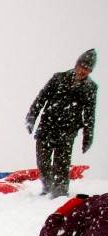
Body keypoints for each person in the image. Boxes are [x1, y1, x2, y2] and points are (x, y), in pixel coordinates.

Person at [26, 49, 98, 198]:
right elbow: (41, 98)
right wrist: (31, 118)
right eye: (82, 66)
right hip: (47, 126)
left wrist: (87, 137)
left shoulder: (91, 88)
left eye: (88, 68)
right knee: (43, 163)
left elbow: (89, 114)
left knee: (61, 166)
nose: (84, 71)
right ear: (76, 65)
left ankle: (59, 194)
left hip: (68, 131)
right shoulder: (58, 78)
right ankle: (48, 188)